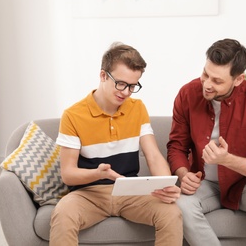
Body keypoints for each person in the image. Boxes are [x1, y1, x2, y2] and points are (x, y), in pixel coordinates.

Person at [50, 42, 183, 246]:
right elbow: (68, 173)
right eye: (121, 83)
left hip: (130, 191)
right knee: (63, 214)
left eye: (132, 86)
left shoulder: (137, 108)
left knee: (171, 213)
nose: (126, 92)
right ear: (103, 76)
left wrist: (167, 184)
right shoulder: (73, 115)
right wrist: (99, 173)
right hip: (88, 195)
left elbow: (153, 155)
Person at [167, 38, 246, 246]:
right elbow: (176, 146)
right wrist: (184, 175)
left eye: (218, 81)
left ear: (238, 79)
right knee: (179, 204)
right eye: (205, 74)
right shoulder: (187, 94)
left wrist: (227, 160)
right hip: (205, 184)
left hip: (245, 185)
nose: (207, 84)